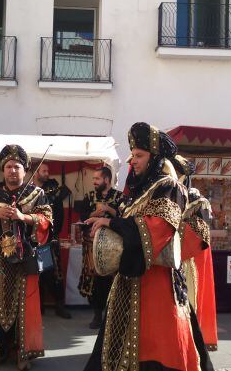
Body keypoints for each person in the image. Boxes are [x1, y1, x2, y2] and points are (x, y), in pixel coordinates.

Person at [83, 122, 213, 371]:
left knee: (157, 350)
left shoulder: (169, 187)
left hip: (157, 287)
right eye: (132, 155)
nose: (133, 161)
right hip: (127, 284)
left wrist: (112, 222)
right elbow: (130, 223)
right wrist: (110, 223)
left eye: (139, 155)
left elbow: (157, 228)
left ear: (155, 158)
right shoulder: (137, 192)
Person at [0, 144, 53, 370]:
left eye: (17, 167)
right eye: (8, 167)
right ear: (3, 170)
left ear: (25, 170)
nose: (13, 171)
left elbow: (47, 222)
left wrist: (24, 217)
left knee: (23, 307)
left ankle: (22, 352)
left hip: (25, 259)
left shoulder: (37, 194)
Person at [171, 155, 218, 352]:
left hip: (188, 262)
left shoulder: (197, 201)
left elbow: (201, 236)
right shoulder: (164, 195)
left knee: (188, 302)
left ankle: (189, 342)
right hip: (170, 261)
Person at [77, 166, 126, 329]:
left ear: (106, 180)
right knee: (95, 280)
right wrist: (94, 215)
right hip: (92, 246)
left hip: (114, 247)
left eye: (97, 179)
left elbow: (125, 219)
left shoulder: (120, 197)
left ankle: (111, 316)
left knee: (112, 281)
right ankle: (97, 315)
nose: (94, 182)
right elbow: (82, 218)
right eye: (94, 179)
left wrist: (108, 209)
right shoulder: (89, 196)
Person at [33, 162, 72, 319]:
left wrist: (55, 233)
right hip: (32, 239)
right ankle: (39, 305)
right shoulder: (28, 189)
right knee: (37, 272)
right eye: (44, 171)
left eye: (48, 171)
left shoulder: (52, 187)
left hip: (49, 238)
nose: (47, 173)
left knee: (53, 272)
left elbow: (58, 212)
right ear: (36, 172)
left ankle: (59, 305)